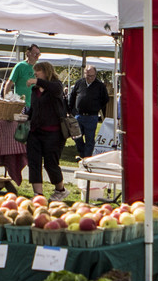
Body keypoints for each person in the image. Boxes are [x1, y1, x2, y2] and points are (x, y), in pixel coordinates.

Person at [24, 61, 69, 199]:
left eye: (38, 71)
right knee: (34, 162)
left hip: (53, 133)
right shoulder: (35, 90)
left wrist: (37, 81)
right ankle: (38, 194)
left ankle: (60, 190)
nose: (35, 73)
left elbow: (55, 89)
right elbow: (34, 109)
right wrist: (26, 116)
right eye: (35, 71)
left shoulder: (56, 87)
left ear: (46, 71)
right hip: (35, 132)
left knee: (51, 164)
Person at [67, 66, 110, 158]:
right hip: (79, 115)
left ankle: (86, 157)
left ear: (95, 75)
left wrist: (96, 107)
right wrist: (70, 111)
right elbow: (73, 97)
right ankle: (82, 153)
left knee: (89, 139)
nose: (90, 78)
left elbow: (105, 99)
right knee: (76, 136)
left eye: (92, 76)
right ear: (84, 74)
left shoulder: (100, 85)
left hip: (91, 116)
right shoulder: (79, 83)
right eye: (88, 75)